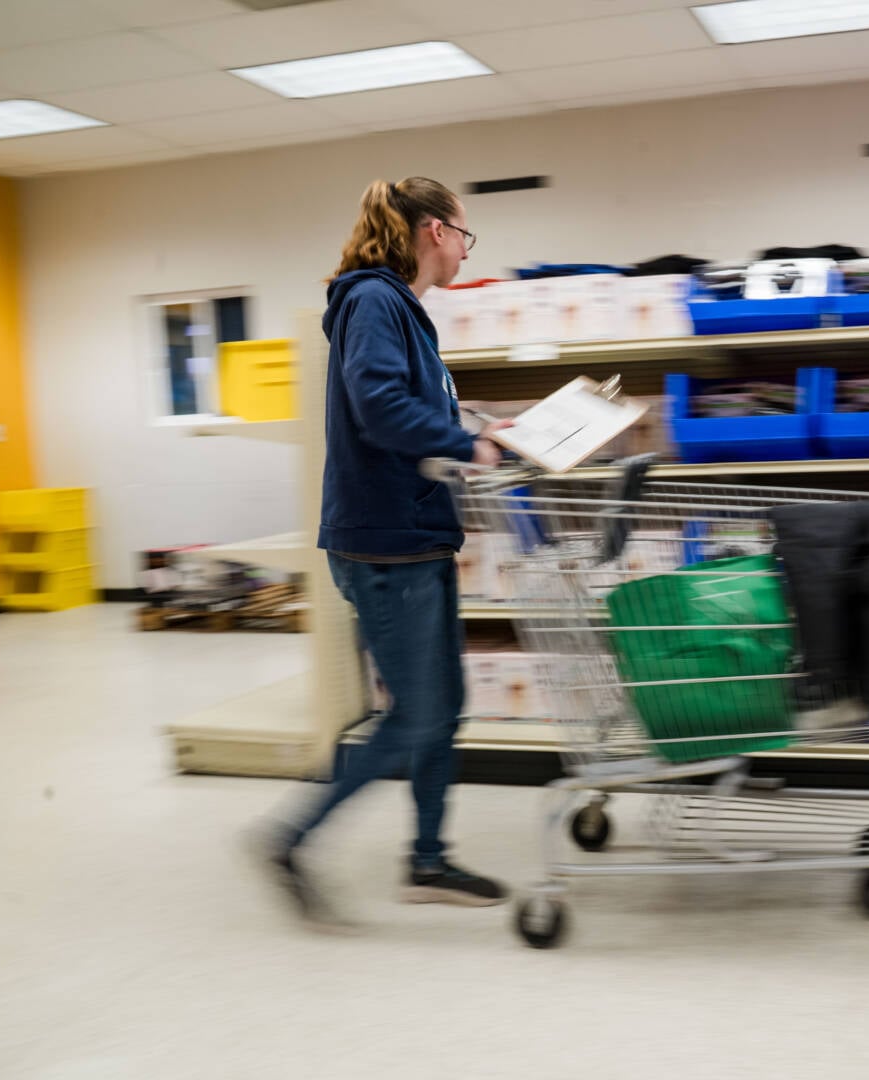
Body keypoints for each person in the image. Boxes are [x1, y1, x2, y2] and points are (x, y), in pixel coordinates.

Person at [254, 176, 509, 929]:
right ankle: (288, 839)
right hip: (385, 546)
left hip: (416, 534)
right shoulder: (373, 300)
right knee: (414, 716)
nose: (466, 249)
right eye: (465, 234)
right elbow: (377, 404)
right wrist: (466, 443)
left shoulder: (400, 310)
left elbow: (406, 401)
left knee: (444, 709)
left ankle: (427, 861)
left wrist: (475, 424)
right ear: (434, 230)